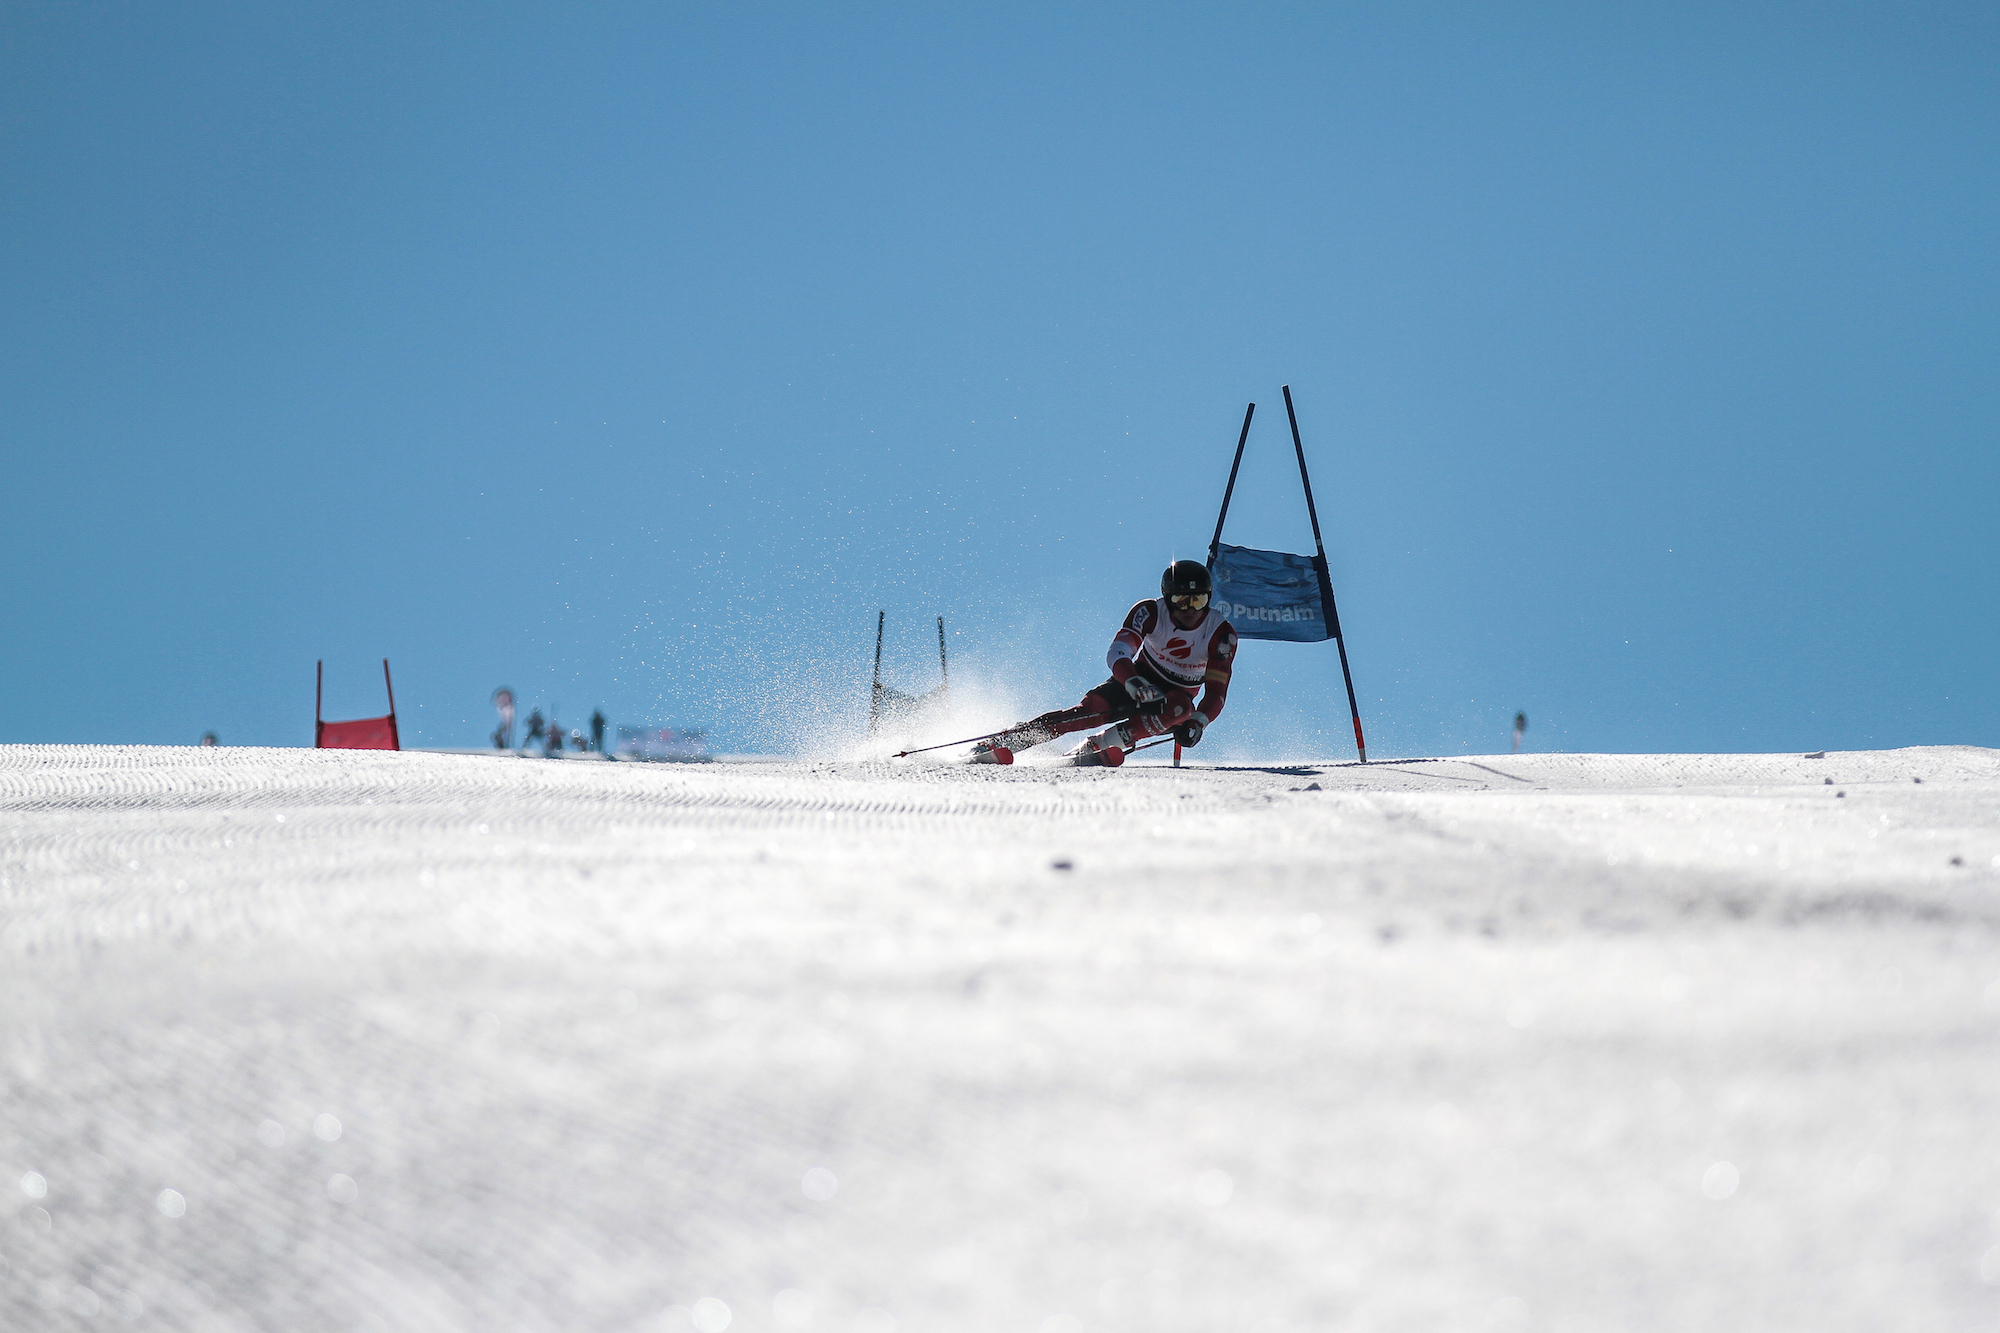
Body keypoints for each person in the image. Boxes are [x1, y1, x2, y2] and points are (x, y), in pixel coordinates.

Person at [972, 560, 1237, 767]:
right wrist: (1133, 681)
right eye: (1181, 600)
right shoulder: (1150, 612)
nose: (1190, 610)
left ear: (1209, 598)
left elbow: (1216, 692)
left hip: (1172, 699)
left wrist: (1198, 723)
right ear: (1167, 597)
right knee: (1091, 711)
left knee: (1180, 708)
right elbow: (1118, 652)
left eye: (1198, 600)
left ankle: (1099, 745)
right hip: (1136, 680)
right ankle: (1002, 742)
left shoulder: (1220, 634)